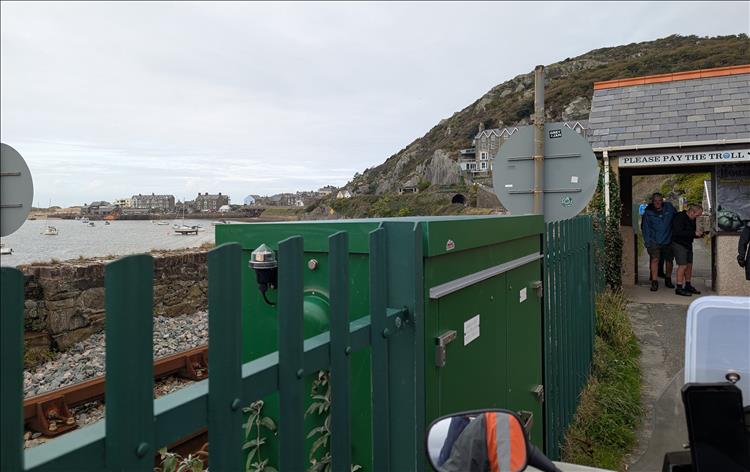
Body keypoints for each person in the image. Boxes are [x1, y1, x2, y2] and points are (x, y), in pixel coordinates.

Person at [641, 193, 676, 291]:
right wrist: (648, 243)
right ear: (652, 201)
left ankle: (668, 279)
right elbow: (645, 229)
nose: (657, 203)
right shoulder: (648, 213)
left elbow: (677, 218)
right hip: (654, 241)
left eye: (659, 200)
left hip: (668, 240)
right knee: (655, 260)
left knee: (669, 260)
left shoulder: (669, 208)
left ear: (662, 201)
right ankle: (654, 281)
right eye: (655, 201)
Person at [671, 204, 704, 296]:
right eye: (697, 215)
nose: (698, 217)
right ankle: (679, 287)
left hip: (688, 244)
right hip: (679, 244)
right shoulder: (679, 217)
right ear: (692, 212)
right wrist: (694, 233)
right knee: (683, 266)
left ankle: (688, 285)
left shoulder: (692, 219)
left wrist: (698, 234)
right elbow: (677, 232)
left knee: (689, 265)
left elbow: (690, 233)